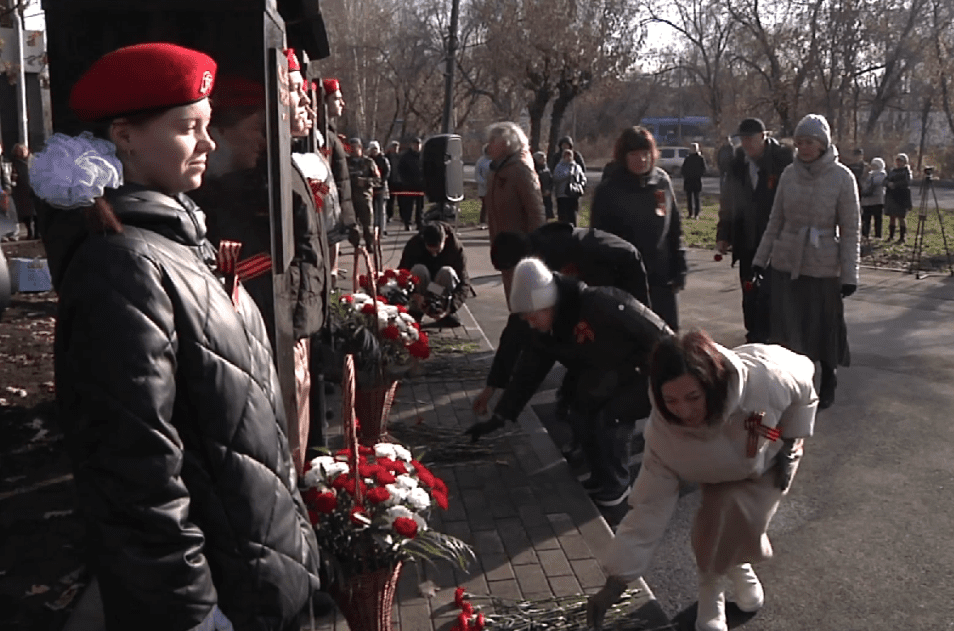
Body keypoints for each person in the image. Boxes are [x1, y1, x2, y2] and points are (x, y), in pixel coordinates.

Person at [30, 42, 320, 630]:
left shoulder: (176, 240)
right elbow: (137, 475)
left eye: (208, 126)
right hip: (221, 595)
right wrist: (191, 613)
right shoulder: (123, 268)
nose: (209, 144)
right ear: (126, 135)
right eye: (190, 128)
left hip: (252, 573)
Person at [586, 330, 817, 631]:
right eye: (670, 400)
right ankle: (725, 577)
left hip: (769, 457)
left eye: (693, 397)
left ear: (712, 382)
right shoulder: (663, 435)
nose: (683, 411)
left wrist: (789, 443)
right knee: (720, 516)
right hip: (716, 470)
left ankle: (722, 580)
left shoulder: (765, 378)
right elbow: (648, 508)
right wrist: (616, 582)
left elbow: (806, 385)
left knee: (731, 513)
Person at [465, 258, 672, 507]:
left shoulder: (603, 304)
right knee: (577, 409)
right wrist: (500, 417)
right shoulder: (548, 330)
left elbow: (661, 335)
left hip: (645, 373)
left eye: (532, 318)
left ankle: (616, 484)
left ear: (546, 305)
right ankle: (599, 475)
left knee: (610, 417)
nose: (530, 325)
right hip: (605, 373)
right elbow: (527, 374)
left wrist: (678, 378)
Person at [751, 113, 860, 410]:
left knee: (823, 327)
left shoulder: (842, 177)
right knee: (788, 329)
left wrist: (850, 274)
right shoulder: (789, 174)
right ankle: (792, 385)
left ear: (823, 144)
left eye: (809, 142)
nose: (803, 148)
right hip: (786, 262)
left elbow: (851, 230)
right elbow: (775, 221)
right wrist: (760, 260)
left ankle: (829, 377)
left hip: (823, 265)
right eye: (799, 142)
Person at [590, 126, 686, 332]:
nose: (641, 160)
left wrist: (680, 265)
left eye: (645, 154)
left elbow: (674, 227)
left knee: (668, 338)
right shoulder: (609, 190)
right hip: (627, 282)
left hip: (662, 279)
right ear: (623, 157)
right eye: (634, 154)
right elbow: (598, 242)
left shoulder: (662, 182)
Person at [716, 118, 794, 343]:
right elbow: (728, 201)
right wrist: (723, 235)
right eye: (743, 139)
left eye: (751, 139)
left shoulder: (783, 160)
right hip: (747, 239)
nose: (747, 144)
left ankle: (775, 340)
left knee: (773, 294)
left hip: (777, 241)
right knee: (749, 291)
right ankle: (753, 338)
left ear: (764, 136)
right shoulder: (737, 163)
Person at [483, 121, 546, 301]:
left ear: (506, 144)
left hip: (522, 248)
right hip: (503, 246)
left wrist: (536, 246)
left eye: (493, 141)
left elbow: (536, 211)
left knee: (525, 301)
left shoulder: (520, 169)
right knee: (513, 298)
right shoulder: (496, 169)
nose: (488, 146)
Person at [397, 221, 471, 327]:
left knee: (447, 272)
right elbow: (401, 273)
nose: (434, 255)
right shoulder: (413, 245)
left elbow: (464, 283)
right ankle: (416, 311)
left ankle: (442, 309)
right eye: (430, 251)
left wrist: (451, 307)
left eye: (437, 251)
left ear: (445, 239)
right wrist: (414, 294)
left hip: (440, 289)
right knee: (419, 269)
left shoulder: (455, 248)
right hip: (422, 285)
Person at [321, 77, 359, 276]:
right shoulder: (323, 136)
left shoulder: (331, 134)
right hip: (327, 215)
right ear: (324, 101)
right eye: (336, 98)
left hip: (334, 214)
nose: (342, 103)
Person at [346, 137, 380, 250]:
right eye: (350, 148)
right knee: (351, 224)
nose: (352, 150)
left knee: (367, 224)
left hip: (364, 196)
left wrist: (365, 181)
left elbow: (378, 180)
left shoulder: (368, 162)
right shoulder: (346, 162)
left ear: (360, 148)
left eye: (354, 147)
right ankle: (356, 244)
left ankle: (369, 244)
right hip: (350, 197)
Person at [552, 148, 586, 225]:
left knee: (573, 215)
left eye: (570, 155)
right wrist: (567, 175)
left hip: (573, 195)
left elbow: (583, 178)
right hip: (562, 194)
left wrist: (581, 186)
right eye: (566, 155)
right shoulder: (559, 166)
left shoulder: (577, 167)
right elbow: (556, 178)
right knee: (563, 217)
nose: (568, 157)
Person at [884, 153, 912, 244]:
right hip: (892, 196)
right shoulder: (892, 171)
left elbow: (906, 182)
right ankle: (891, 236)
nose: (899, 163)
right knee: (892, 217)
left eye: (901, 161)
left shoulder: (906, 171)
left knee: (901, 217)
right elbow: (885, 180)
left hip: (902, 196)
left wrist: (895, 184)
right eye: (898, 161)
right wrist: (888, 183)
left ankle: (902, 237)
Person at [397, 137, 425, 231]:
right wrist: (405, 181)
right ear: (412, 145)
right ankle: (407, 222)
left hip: (420, 185)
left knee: (420, 206)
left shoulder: (423, 156)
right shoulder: (406, 156)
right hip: (408, 185)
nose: (417, 146)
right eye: (415, 144)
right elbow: (401, 170)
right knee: (408, 205)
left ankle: (419, 222)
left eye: (419, 144)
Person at [11, 144, 37, 240]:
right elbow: (12, 176)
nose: (22, 152)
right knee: (26, 214)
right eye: (19, 150)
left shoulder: (34, 160)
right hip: (22, 191)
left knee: (36, 214)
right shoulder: (14, 163)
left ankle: (37, 233)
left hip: (34, 190)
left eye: (23, 150)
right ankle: (29, 232)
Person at [859, 157, 887, 240]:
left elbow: (876, 183)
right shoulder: (868, 174)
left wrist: (868, 177)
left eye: (875, 165)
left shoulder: (881, 174)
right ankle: (865, 234)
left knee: (877, 218)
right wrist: (865, 175)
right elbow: (862, 183)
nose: (873, 167)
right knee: (866, 218)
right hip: (867, 200)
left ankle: (878, 235)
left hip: (877, 200)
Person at [368, 140, 390, 236]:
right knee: (372, 210)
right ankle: (374, 228)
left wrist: (381, 181)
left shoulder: (384, 160)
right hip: (371, 188)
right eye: (372, 149)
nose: (374, 151)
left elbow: (387, 172)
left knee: (381, 209)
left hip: (382, 187)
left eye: (375, 149)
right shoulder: (368, 160)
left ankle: (382, 229)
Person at [681, 143, 707, 219]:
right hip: (688, 180)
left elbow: (703, 169)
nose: (693, 149)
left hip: (696, 180)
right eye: (692, 148)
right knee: (689, 198)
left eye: (695, 148)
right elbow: (683, 169)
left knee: (696, 197)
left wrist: (698, 175)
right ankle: (690, 213)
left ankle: (696, 213)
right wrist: (685, 175)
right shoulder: (688, 158)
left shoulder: (700, 158)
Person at [474, 144, 493, 228]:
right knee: (485, 205)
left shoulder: (495, 159)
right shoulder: (481, 161)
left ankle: (492, 222)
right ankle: (482, 222)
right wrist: (485, 182)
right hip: (484, 188)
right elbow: (477, 175)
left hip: (494, 186)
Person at [532, 150, 554, 220]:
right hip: (537, 194)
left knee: (546, 213)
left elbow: (551, 181)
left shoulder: (546, 169)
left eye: (544, 158)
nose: (543, 160)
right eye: (541, 158)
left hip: (547, 194)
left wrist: (549, 190)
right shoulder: (533, 170)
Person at [384, 140, 401, 223]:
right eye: (394, 147)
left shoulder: (401, 157)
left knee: (401, 201)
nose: (395, 149)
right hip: (390, 181)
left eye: (396, 147)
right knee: (390, 200)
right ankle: (389, 215)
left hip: (400, 182)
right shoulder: (386, 157)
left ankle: (402, 216)